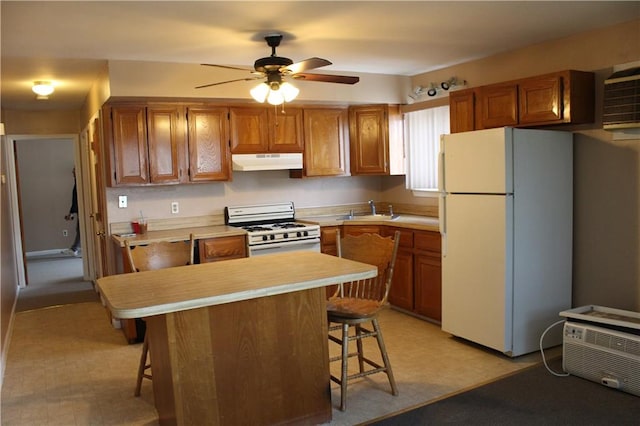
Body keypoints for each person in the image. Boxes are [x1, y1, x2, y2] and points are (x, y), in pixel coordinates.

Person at [64, 168, 80, 256]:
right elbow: (74, 199)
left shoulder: (80, 183)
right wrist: (71, 212)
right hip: (79, 209)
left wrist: (71, 212)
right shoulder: (77, 183)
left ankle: (74, 249)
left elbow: (76, 199)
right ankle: (74, 248)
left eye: (74, 170)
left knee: (80, 230)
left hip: (81, 209)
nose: (72, 172)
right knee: (79, 230)